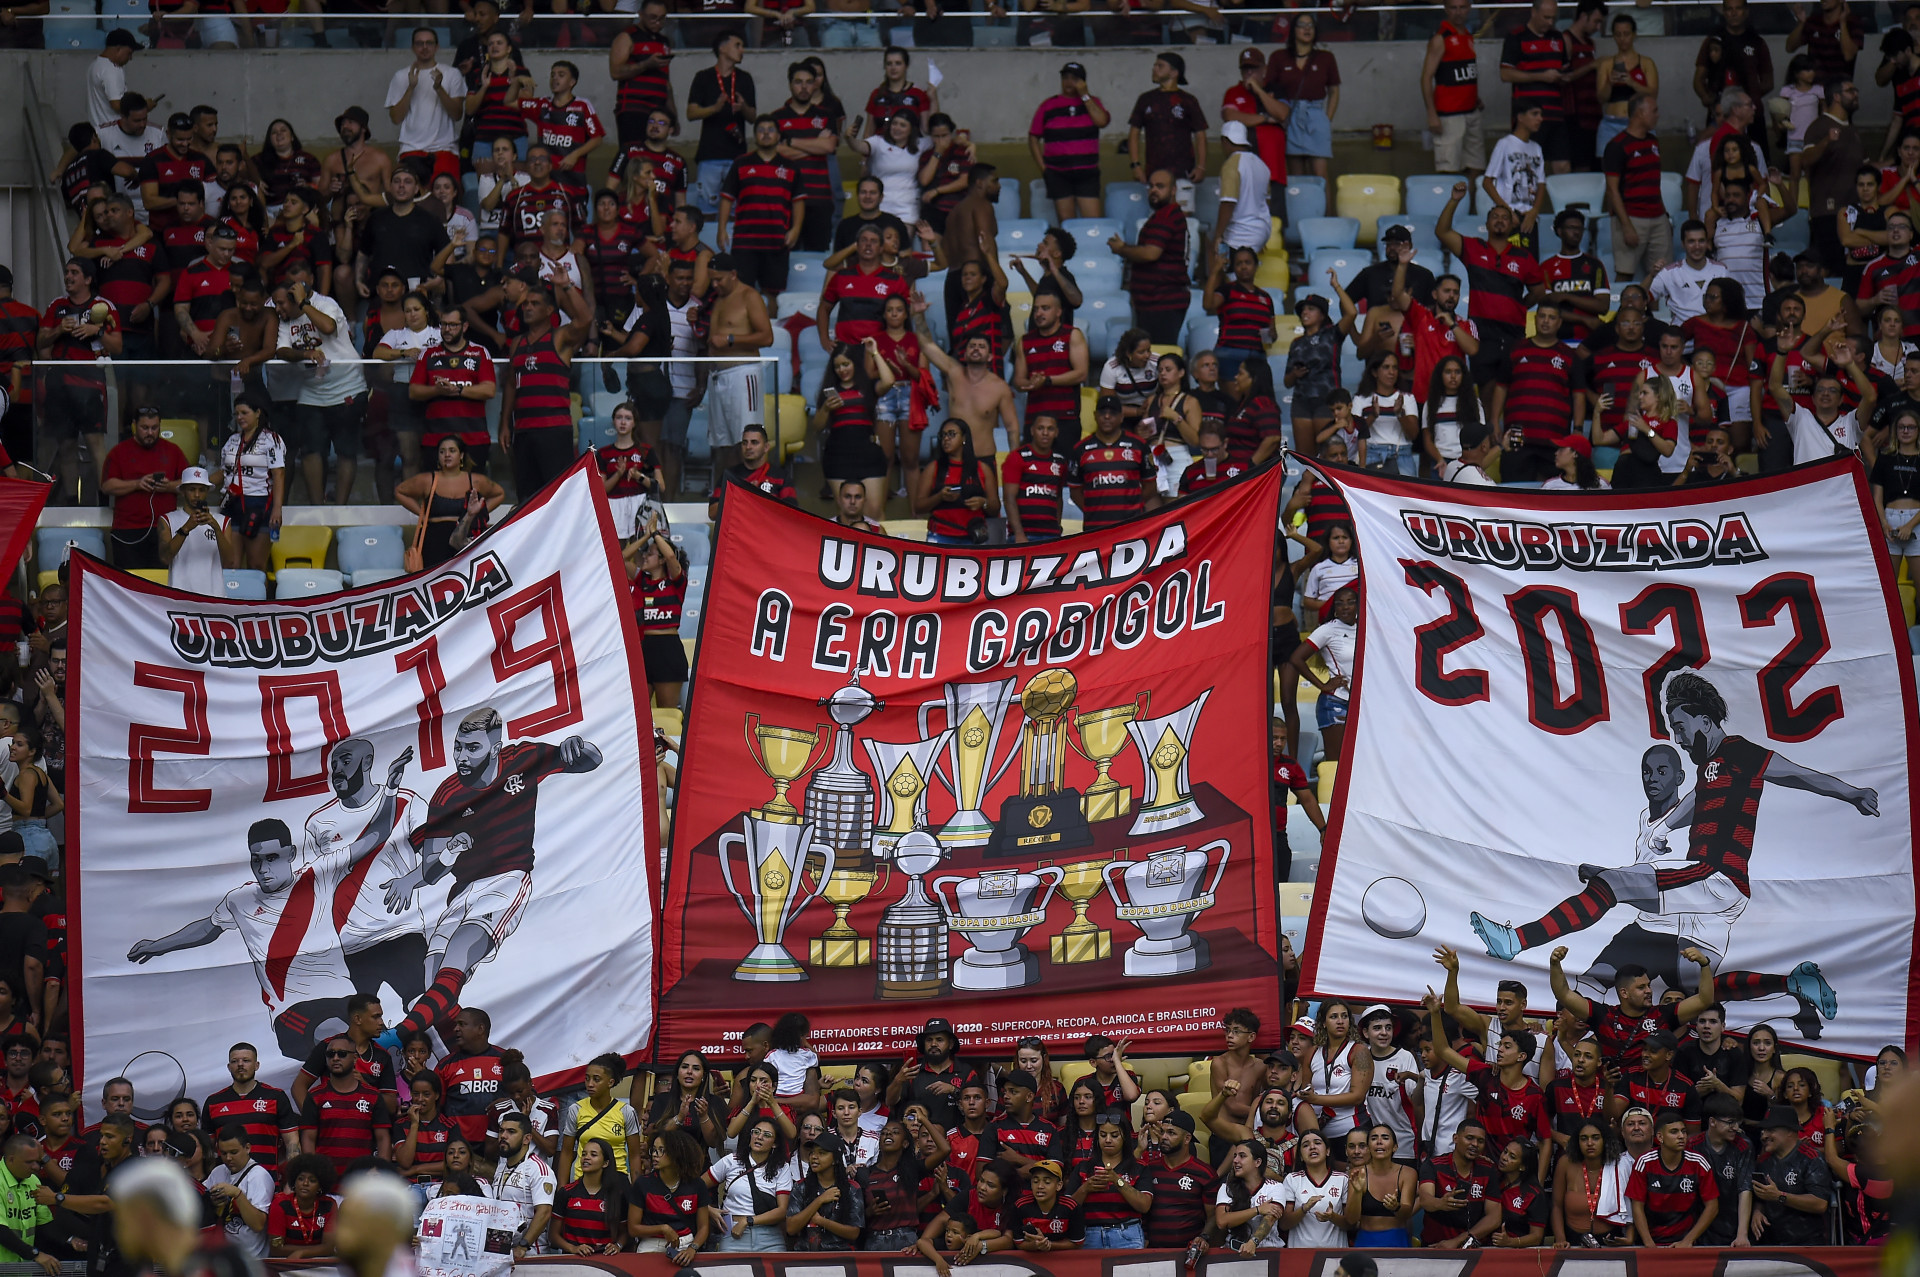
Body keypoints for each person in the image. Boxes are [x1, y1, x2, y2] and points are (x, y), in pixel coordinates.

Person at [717, 119, 805, 302]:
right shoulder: (741, 163)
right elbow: (727, 198)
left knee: (772, 294)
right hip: (744, 242)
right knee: (739, 293)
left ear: (779, 136)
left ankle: (772, 330)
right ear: (755, 135)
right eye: (761, 130)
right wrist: (721, 228)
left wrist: (795, 229)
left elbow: (798, 202)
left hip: (776, 242)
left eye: (771, 130)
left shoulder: (791, 167)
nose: (766, 133)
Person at [100, 406, 188, 570]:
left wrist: (168, 486)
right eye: (145, 428)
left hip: (165, 529)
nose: (150, 433)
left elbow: (190, 485)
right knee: (129, 585)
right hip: (127, 529)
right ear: (134, 425)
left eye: (154, 428)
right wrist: (137, 484)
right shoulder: (119, 452)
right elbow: (107, 486)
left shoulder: (173, 451)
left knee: (162, 584)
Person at [213, 394, 284, 575]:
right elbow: (224, 472)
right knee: (231, 565)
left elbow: (279, 474)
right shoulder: (232, 440)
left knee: (256, 566)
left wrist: (277, 509)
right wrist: (199, 483)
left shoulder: (271, 440)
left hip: (258, 505)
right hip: (231, 503)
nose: (240, 417)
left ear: (258, 413)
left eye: (244, 412)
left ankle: (259, 603)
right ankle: (231, 603)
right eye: (237, 414)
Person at [1030, 63, 1111, 223]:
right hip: (1057, 172)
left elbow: (1101, 121)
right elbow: (1033, 137)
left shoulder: (1093, 102)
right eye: (1065, 78)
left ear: (1083, 82)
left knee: (1092, 222)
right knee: (1067, 222)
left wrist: (1085, 96)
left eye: (1074, 79)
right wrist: (1043, 167)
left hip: (1087, 172)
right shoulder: (1048, 105)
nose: (1069, 82)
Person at [1602, 94, 1670, 281]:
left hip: (1657, 217)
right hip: (1631, 217)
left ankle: (1658, 311)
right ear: (1640, 113)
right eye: (1654, 111)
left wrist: (1665, 217)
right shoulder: (1617, 146)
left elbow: (1655, 184)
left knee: (1662, 274)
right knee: (1625, 273)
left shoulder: (1653, 142)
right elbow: (1612, 190)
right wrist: (1626, 226)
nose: (1658, 115)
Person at [384, 30, 464, 189]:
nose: (425, 47)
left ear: (437, 47)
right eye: (420, 43)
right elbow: (396, 118)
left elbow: (457, 115)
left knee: (446, 199)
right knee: (410, 199)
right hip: (411, 149)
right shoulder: (401, 76)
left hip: (445, 148)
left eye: (429, 43)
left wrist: (439, 88)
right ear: (413, 47)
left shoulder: (452, 74)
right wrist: (411, 87)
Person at [1269, 15, 1339, 179]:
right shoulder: (1279, 57)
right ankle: (1301, 205)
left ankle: (1324, 206)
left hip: (1315, 112)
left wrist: (1326, 120)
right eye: (1302, 25)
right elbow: (1270, 90)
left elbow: (1334, 91)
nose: (1307, 29)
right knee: (1296, 175)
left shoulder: (1325, 57)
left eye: (1311, 26)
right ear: (1293, 30)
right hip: (1290, 115)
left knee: (1320, 174)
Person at [1805, 80, 1865, 272]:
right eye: (1850, 91)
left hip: (1855, 213)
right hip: (1827, 213)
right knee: (1831, 272)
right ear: (1836, 97)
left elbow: (1866, 167)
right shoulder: (1819, 127)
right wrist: (1826, 142)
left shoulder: (1853, 130)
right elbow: (1805, 159)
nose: (1855, 94)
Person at [1128, 52, 1207, 196]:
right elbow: (1134, 133)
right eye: (1154, 65)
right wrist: (1135, 164)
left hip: (1184, 172)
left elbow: (1200, 134)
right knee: (1157, 214)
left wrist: (1201, 166)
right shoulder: (1145, 99)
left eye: (1160, 66)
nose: (1154, 69)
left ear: (1174, 72)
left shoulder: (1188, 100)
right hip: (1154, 173)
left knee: (1183, 215)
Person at [1426, 0, 1488, 181]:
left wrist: (1475, 97)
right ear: (1446, 9)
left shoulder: (1467, 35)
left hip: (1471, 112)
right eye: (1453, 7)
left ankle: (1467, 208)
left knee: (1475, 168)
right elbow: (1426, 77)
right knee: (1449, 172)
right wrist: (1431, 114)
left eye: (1463, 7)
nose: (1458, 12)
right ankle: (1452, 209)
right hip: (1449, 116)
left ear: (1469, 8)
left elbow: (1463, 72)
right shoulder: (1440, 38)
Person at [708, 1117, 791, 1251]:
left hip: (770, 1237)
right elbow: (695, 1188)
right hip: (733, 1234)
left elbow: (781, 1211)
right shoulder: (732, 1160)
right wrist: (709, 1210)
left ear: (775, 1144)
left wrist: (748, 1221)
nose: (759, 1137)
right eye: (756, 1132)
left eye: (767, 1135)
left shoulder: (782, 1167)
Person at [156, 468, 235, 598]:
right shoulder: (167, 520)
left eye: (202, 490)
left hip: (214, 597)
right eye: (192, 489)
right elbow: (165, 558)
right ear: (182, 491)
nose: (197, 495)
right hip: (180, 597)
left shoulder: (222, 521)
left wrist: (215, 527)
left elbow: (230, 563)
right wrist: (186, 528)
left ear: (207, 491)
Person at [203, 1126, 273, 1259]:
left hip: (252, 1260)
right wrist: (211, 1201)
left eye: (234, 1152)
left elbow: (258, 1224)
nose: (228, 1158)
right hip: (221, 1258)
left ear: (247, 1148)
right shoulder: (218, 1171)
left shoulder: (259, 1176)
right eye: (223, 1153)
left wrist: (237, 1194)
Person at [549, 1137, 626, 1256]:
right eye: (584, 1154)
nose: (586, 1157)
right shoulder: (566, 1192)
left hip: (605, 1263)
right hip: (572, 1262)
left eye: (593, 1154)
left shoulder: (617, 1195)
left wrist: (618, 1245)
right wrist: (573, 1248)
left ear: (605, 1163)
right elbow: (553, 1235)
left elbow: (625, 1231)